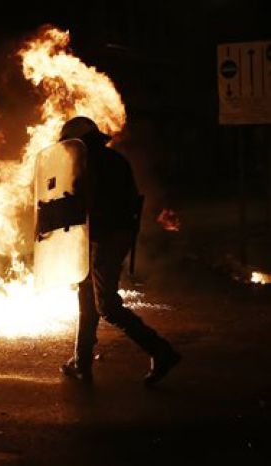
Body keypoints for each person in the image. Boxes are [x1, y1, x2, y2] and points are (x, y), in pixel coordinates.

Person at [58, 116, 180, 386]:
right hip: (112, 235)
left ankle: (161, 351)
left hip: (105, 238)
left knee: (107, 306)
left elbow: (86, 204)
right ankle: (81, 362)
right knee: (87, 295)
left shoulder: (89, 165)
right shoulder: (113, 159)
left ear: (79, 143)